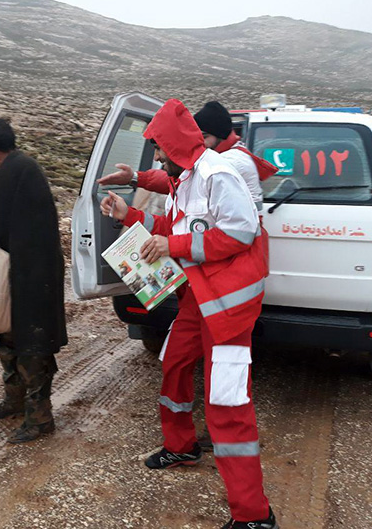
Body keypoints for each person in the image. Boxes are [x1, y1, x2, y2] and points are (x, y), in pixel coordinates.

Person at [101, 99, 278, 529]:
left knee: (228, 404)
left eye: (160, 148)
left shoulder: (219, 174)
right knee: (175, 363)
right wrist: (132, 216)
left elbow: (240, 233)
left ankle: (254, 516)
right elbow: (178, 232)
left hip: (229, 307)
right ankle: (181, 445)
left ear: (176, 144)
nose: (157, 157)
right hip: (200, 297)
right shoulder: (187, 180)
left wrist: (173, 247)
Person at [0, 118, 67, 444]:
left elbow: (33, 227)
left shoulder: (25, 170)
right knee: (7, 338)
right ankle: (14, 401)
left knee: (34, 346)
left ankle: (40, 419)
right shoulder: (2, 173)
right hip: (10, 276)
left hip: (33, 277)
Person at [99, 100, 276, 211]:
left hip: (239, 257)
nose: (199, 143)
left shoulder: (230, 163)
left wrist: (136, 178)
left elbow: (183, 180)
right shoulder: (225, 156)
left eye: (204, 137)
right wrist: (135, 178)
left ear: (220, 136)